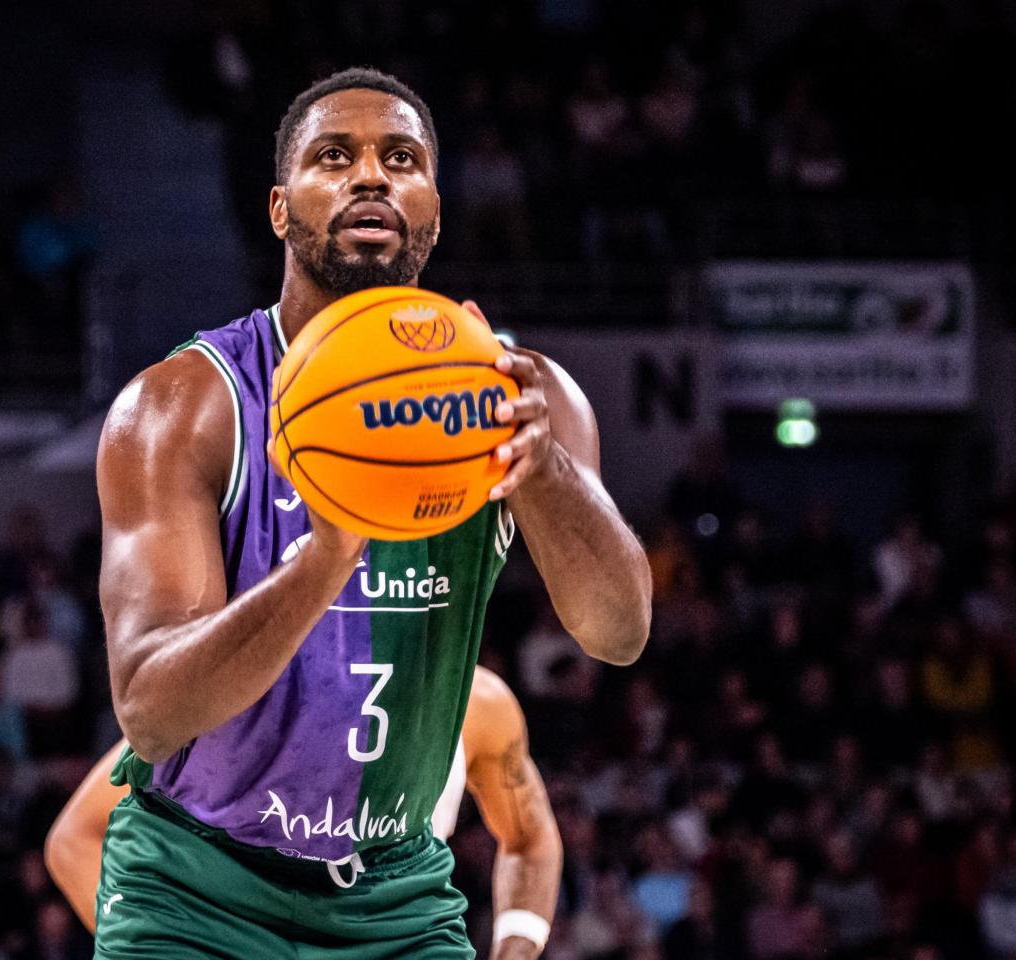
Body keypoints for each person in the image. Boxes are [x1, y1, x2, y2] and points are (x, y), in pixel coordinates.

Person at [91, 67, 650, 958]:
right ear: (279, 209)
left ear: (432, 207)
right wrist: (322, 560)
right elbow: (152, 713)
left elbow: (618, 632)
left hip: (395, 897)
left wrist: (541, 470)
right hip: (196, 891)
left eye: (401, 158)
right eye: (333, 156)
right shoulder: (184, 406)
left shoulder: (521, 400)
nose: (371, 176)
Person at [47, 667, 562, 956]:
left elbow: (532, 839)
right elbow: (76, 837)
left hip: (386, 931)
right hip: (232, 922)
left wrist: (514, 950)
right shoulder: (251, 687)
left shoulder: (476, 702)